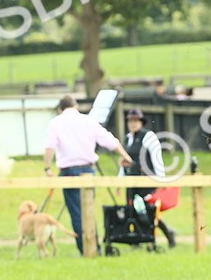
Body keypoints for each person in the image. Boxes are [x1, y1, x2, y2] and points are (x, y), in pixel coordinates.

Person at [43, 95, 133, 255]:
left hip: (68, 172)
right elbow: (110, 141)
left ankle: (85, 249)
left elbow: (50, 146)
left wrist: (47, 167)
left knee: (77, 213)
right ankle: (94, 248)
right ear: (76, 106)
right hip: (89, 170)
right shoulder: (88, 121)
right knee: (89, 210)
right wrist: (125, 156)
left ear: (60, 109)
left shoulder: (55, 123)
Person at [120, 108, 176, 248]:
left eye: (135, 121)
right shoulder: (128, 139)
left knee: (145, 209)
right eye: (130, 121)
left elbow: (157, 158)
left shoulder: (148, 136)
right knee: (132, 209)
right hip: (131, 181)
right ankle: (138, 239)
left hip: (146, 180)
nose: (132, 124)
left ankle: (165, 233)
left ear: (141, 122)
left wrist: (160, 179)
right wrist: (119, 179)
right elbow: (125, 160)